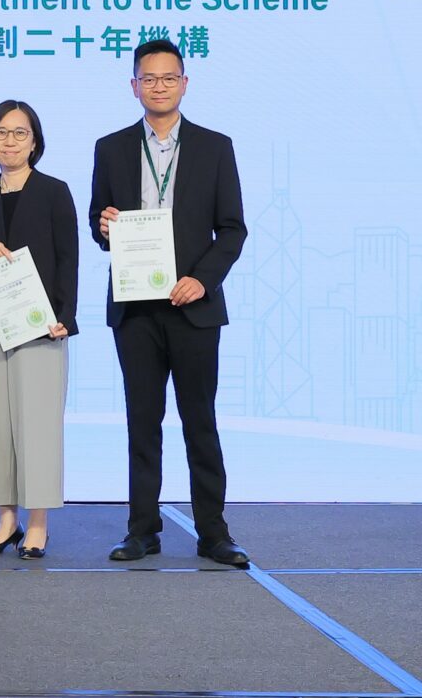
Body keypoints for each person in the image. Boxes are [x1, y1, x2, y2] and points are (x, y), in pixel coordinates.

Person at [88, 39, 250, 567]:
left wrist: (202, 280)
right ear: (133, 86)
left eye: (168, 77)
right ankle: (142, 529)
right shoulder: (110, 148)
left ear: (184, 83)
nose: (158, 86)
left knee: (199, 421)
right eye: (148, 78)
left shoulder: (215, 147)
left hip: (193, 308)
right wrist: (104, 226)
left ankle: (214, 532)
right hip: (135, 309)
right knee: (143, 422)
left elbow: (232, 229)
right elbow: (97, 222)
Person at [0, 100, 78, 561]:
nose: (10, 141)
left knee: (38, 427)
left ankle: (38, 525)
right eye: (1, 133)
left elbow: (68, 259)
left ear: (35, 141)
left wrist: (65, 315)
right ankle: (6, 522)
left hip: (40, 326)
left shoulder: (55, 192)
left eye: (19, 133)